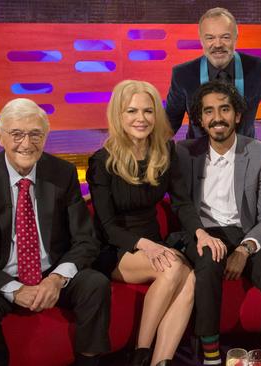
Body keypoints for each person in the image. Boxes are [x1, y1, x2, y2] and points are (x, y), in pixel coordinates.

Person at [0, 98, 110, 366]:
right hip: (0, 276)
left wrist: (56, 278)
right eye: (17, 134)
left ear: (45, 137)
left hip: (50, 271)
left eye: (35, 134)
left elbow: (85, 239)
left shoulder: (62, 173)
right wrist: (14, 288)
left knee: (95, 284)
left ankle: (88, 361)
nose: (26, 143)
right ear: (0, 137)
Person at [86, 80, 205, 366]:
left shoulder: (165, 151)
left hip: (155, 245)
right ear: (119, 115)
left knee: (190, 279)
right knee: (174, 266)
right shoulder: (102, 161)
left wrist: (200, 232)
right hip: (116, 248)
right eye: (132, 111)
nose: (141, 119)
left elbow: (181, 203)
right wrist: (146, 246)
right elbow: (107, 225)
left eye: (148, 111)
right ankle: (139, 355)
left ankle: (159, 361)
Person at [173, 81, 261, 365]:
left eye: (224, 109)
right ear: (200, 119)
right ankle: (212, 356)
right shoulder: (183, 152)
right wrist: (200, 234)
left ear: (237, 115)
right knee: (208, 260)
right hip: (203, 232)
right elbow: (181, 205)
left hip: (247, 233)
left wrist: (245, 248)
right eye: (209, 111)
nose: (217, 117)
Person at [166, 7, 261, 139]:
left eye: (225, 37)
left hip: (245, 154)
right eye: (210, 38)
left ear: (236, 38)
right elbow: (169, 124)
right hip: (199, 155)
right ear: (201, 40)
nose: (217, 44)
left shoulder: (257, 68)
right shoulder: (183, 75)